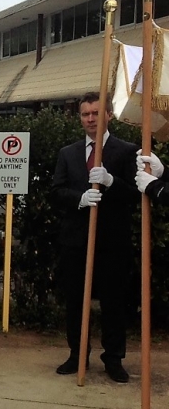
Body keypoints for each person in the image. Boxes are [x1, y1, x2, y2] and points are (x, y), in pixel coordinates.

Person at [51, 92, 139, 383]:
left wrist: (111, 182)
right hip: (76, 242)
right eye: (85, 114)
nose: (90, 119)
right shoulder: (68, 153)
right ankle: (77, 355)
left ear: (108, 115)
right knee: (76, 302)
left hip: (112, 243)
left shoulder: (126, 151)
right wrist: (79, 199)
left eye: (96, 113)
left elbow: (135, 195)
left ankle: (113, 358)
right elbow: (56, 192)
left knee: (114, 303)